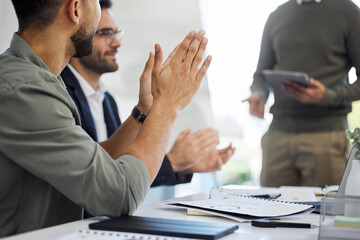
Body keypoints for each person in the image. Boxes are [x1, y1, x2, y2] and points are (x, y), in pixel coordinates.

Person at [0, 0, 212, 237]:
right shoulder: (26, 89)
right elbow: (119, 195)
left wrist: (146, 109)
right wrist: (168, 106)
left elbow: (94, 164)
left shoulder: (38, 78)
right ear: (76, 9)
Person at [61, 0, 235, 188]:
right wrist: (173, 160)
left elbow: (119, 173)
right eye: (105, 33)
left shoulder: (106, 100)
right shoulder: (60, 93)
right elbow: (92, 175)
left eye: (116, 33)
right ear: (81, 35)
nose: (117, 43)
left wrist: (182, 165)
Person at [244, 0, 360, 187]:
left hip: (325, 136)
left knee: (325, 213)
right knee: (269, 212)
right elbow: (261, 75)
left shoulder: (348, 12)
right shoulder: (277, 15)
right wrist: (258, 94)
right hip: (277, 136)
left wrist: (326, 96)